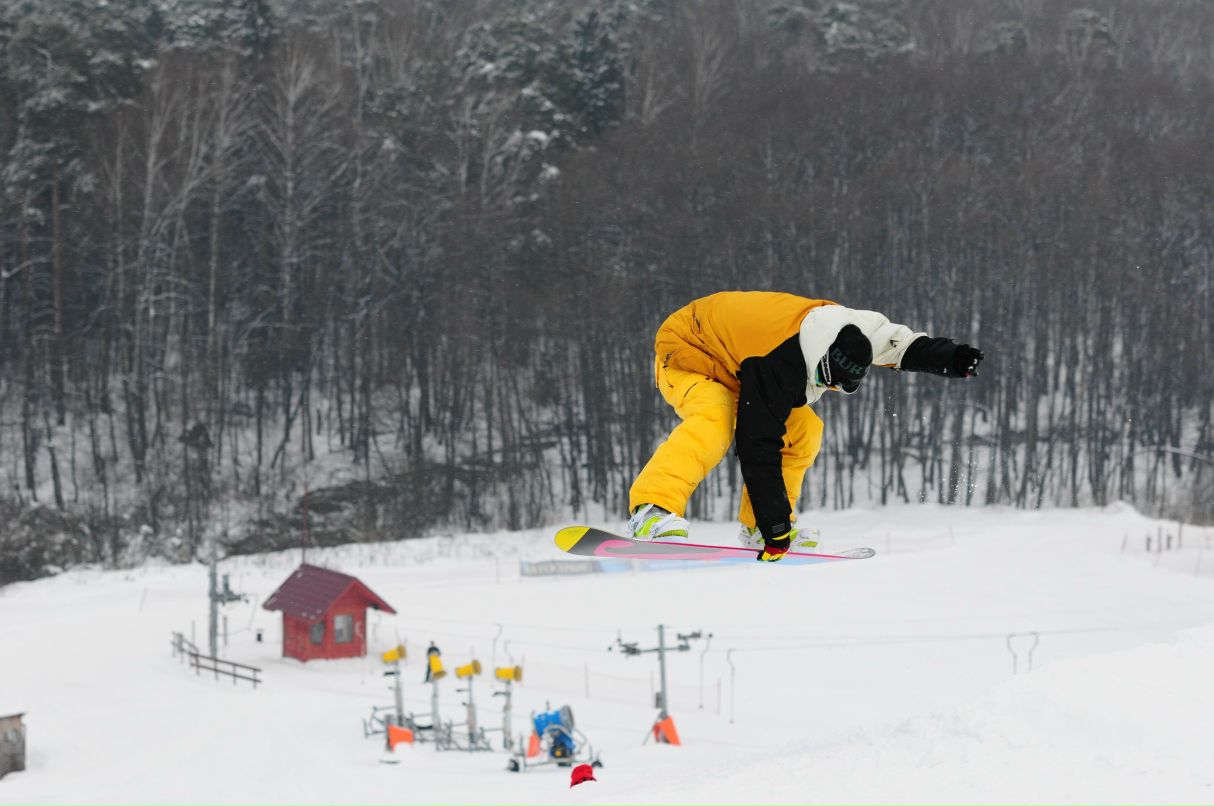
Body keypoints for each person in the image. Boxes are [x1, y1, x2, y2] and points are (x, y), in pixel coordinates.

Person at [627, 291, 983, 561]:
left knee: (805, 432)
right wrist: (776, 529)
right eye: (830, 380)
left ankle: (754, 527)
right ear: (822, 361)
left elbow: (902, 345)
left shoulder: (855, 330)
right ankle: (651, 510)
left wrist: (953, 358)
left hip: (736, 360)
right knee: (715, 420)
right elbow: (757, 448)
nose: (831, 389)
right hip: (689, 352)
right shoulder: (775, 363)